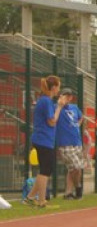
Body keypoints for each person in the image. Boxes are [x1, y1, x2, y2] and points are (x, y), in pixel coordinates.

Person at [24, 75, 68, 207]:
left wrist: (58, 105)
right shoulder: (46, 101)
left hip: (42, 139)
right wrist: (59, 107)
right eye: (58, 87)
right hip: (44, 139)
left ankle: (31, 197)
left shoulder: (44, 100)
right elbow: (52, 121)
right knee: (45, 170)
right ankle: (41, 200)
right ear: (54, 88)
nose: (58, 90)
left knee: (45, 169)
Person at [55, 87, 87, 200]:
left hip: (76, 141)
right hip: (65, 143)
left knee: (72, 168)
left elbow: (81, 116)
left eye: (69, 96)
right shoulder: (57, 108)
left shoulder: (74, 107)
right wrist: (60, 105)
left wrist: (77, 124)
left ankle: (68, 192)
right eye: (65, 95)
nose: (68, 98)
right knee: (77, 167)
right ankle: (78, 187)